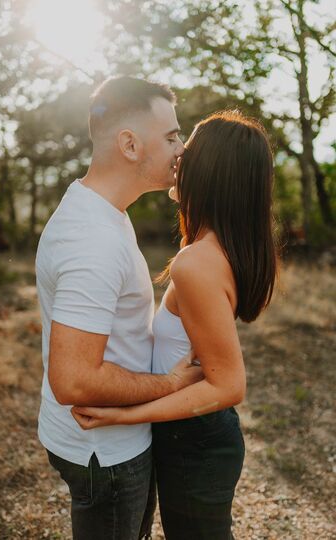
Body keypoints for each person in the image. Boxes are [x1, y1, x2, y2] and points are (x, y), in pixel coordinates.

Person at [72, 110, 278, 539]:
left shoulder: (197, 261)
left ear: (212, 172)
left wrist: (128, 414)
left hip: (195, 439)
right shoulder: (215, 246)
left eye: (189, 149)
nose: (178, 156)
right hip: (196, 436)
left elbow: (229, 385)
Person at [35, 76, 203, 540]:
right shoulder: (91, 239)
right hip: (105, 451)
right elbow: (74, 379)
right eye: (171, 136)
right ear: (129, 144)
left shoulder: (102, 211)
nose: (182, 148)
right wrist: (170, 384)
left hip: (104, 440)